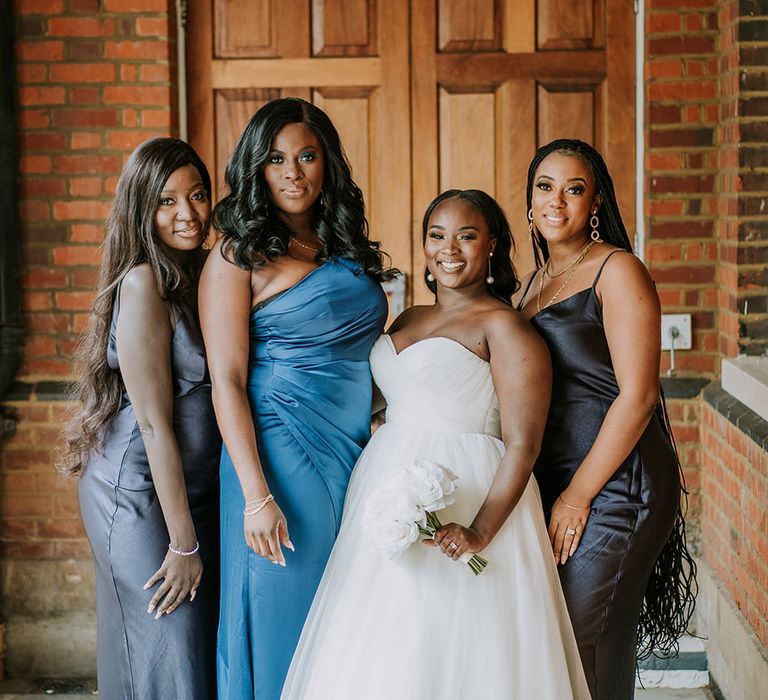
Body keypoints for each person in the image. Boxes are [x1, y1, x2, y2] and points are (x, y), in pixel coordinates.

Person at [281, 189, 590, 699]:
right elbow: (383, 402)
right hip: (387, 490)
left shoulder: (506, 327)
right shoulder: (405, 320)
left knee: (460, 648)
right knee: (387, 643)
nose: (450, 248)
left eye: (467, 236)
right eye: (437, 235)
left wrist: (479, 531)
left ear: (492, 245)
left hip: (469, 492)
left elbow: (523, 444)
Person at [199, 97, 391, 700]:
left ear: (326, 163)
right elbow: (225, 380)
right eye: (276, 159)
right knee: (288, 606)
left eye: (307, 156)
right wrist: (256, 496)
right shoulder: (236, 255)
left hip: (356, 448)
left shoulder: (343, 246)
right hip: (278, 452)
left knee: (351, 614)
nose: (293, 171)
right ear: (255, 168)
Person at [514, 139, 697, 699]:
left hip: (619, 481)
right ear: (529, 202)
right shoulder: (534, 284)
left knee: (585, 636)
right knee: (572, 640)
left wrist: (577, 495)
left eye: (575, 189)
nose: (557, 201)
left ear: (595, 203)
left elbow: (638, 396)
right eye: (545, 187)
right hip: (563, 475)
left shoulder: (618, 270)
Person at [58, 138, 221, 699]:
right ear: (141, 209)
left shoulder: (201, 272)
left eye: (197, 195)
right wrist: (183, 543)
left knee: (181, 649)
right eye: (168, 200)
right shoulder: (142, 282)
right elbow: (153, 423)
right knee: (167, 637)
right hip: (138, 492)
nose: (188, 213)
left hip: (187, 489)